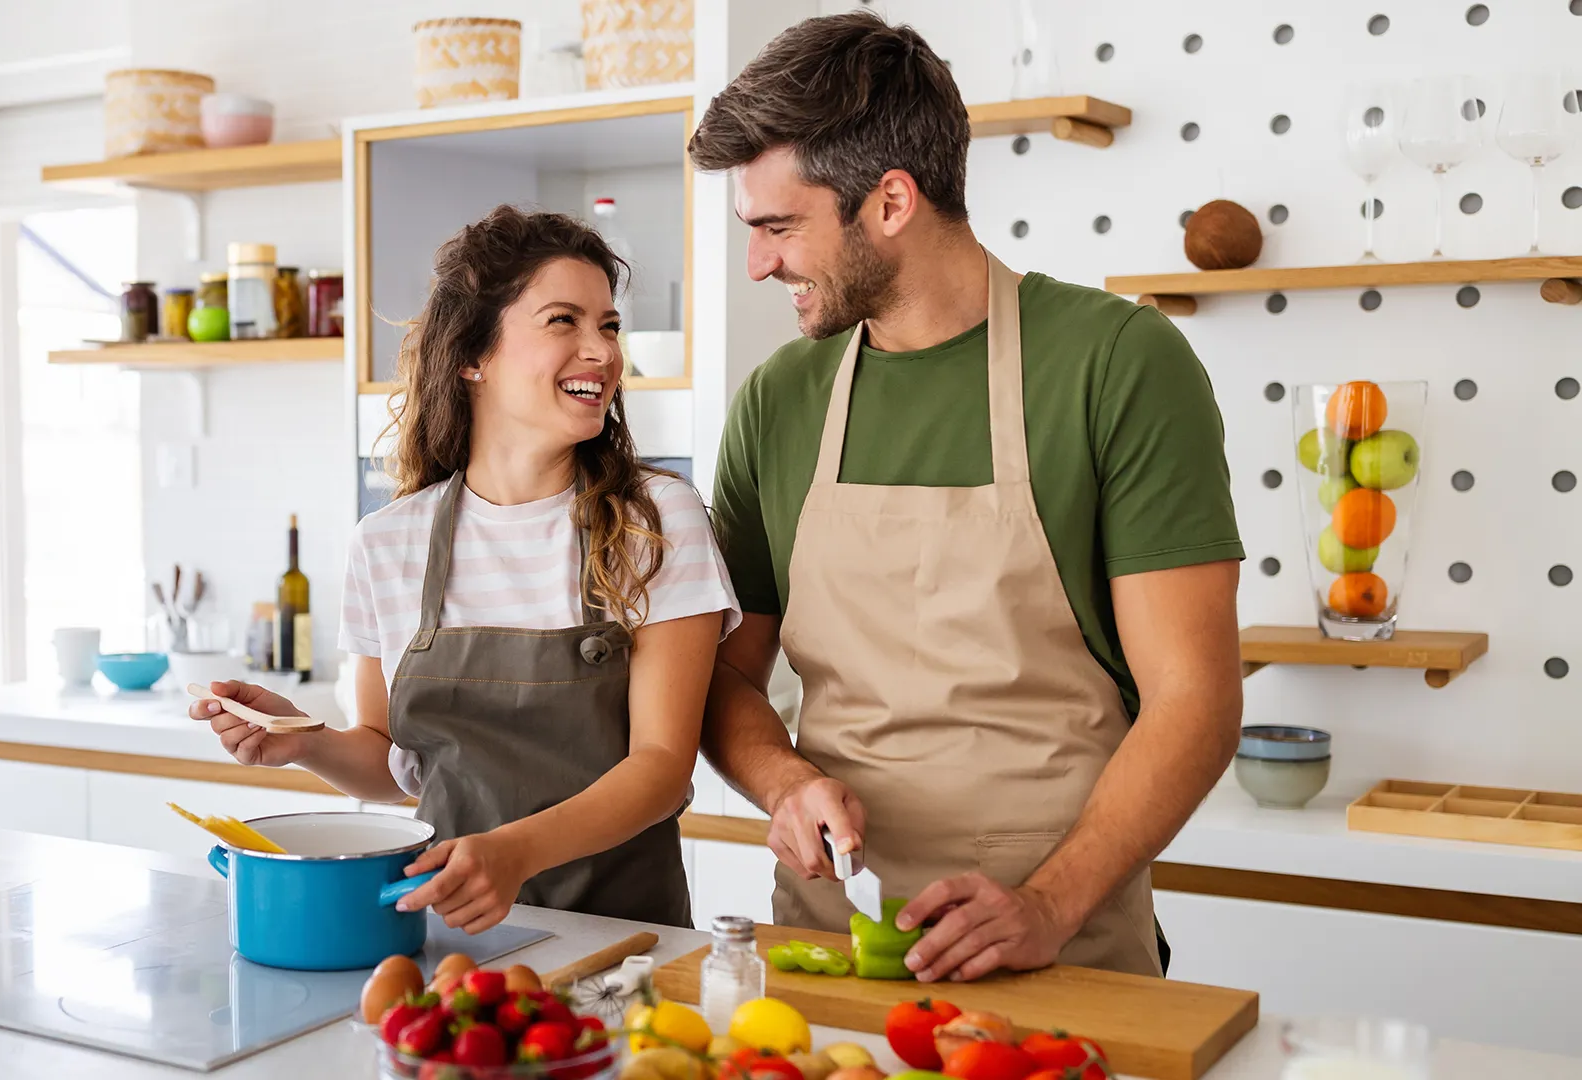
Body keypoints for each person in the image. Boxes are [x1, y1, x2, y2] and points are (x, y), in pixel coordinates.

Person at [687, 11, 1245, 981]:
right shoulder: (780, 401)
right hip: (831, 945)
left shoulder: (1114, 364)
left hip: (1061, 950)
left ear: (892, 202)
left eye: (780, 227)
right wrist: (784, 783)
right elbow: (726, 676)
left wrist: (1047, 905)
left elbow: (1194, 698)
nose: (760, 263)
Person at [191, 205, 738, 934]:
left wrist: (513, 854)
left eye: (607, 325)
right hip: (446, 936)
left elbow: (663, 766)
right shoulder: (388, 543)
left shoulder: (657, 522)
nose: (602, 351)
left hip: (623, 943)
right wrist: (303, 741)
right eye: (563, 322)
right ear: (472, 356)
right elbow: (390, 764)